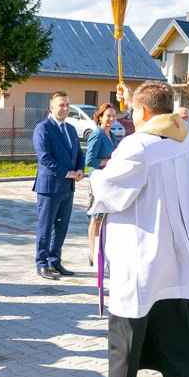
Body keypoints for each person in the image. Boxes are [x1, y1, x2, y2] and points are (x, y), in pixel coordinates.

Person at [81, 81, 189, 377]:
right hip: (175, 241)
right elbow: (157, 122)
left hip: (141, 241)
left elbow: (112, 190)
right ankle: (178, 376)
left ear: (143, 111)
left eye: (133, 110)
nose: (130, 114)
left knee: (127, 316)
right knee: (167, 308)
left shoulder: (136, 146)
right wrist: (132, 98)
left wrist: (94, 176)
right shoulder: (186, 134)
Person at [33, 91, 85, 280]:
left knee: (61, 228)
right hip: (49, 188)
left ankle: (55, 261)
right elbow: (44, 157)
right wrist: (66, 172)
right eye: (61, 105)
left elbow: (79, 153)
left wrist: (80, 169)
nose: (65, 108)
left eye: (67, 105)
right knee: (46, 227)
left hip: (68, 188)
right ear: (51, 107)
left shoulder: (70, 129)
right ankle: (42, 263)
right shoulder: (43, 128)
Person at [84, 103, 118, 266]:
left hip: (108, 180)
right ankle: (93, 253)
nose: (111, 119)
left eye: (113, 115)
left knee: (104, 216)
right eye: (108, 116)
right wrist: (110, 161)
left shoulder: (111, 134)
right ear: (100, 117)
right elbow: (89, 160)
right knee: (96, 217)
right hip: (97, 181)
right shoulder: (97, 135)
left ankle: (101, 250)